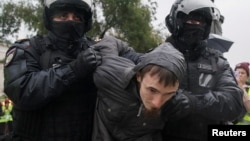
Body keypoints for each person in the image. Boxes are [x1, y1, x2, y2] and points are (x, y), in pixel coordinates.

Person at [3, 0, 139, 140]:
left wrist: (156, 58)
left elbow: (136, 62)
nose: (71, 21)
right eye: (63, 16)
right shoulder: (29, 49)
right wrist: (73, 70)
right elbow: (21, 90)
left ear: (86, 23)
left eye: (77, 17)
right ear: (49, 18)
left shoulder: (96, 49)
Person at [161, 0, 245, 140]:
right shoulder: (157, 57)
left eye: (200, 22)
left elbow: (234, 104)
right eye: (191, 21)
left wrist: (195, 102)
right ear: (177, 22)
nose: (196, 26)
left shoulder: (217, 62)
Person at [91, 42, 186, 141]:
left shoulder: (176, 103)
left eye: (168, 94)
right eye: (152, 90)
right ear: (138, 76)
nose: (157, 104)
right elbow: (110, 42)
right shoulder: (110, 75)